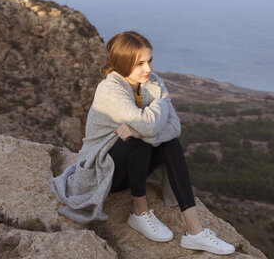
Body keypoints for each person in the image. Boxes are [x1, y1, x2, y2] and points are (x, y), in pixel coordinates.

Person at [51, 31, 235, 255]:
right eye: (139, 63)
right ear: (122, 63)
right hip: (103, 171)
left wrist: (145, 127)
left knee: (169, 143)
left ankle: (194, 231)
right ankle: (139, 213)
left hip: (133, 167)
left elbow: (175, 127)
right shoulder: (110, 90)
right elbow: (148, 127)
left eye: (149, 60)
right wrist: (159, 106)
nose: (148, 68)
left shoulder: (153, 82)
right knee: (136, 138)